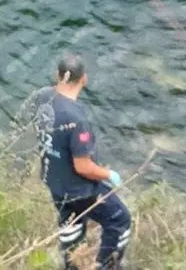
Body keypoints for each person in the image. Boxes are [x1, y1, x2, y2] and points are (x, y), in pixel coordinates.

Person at [34, 54, 132, 270]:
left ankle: (72, 266)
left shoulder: (42, 97)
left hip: (55, 182)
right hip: (80, 190)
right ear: (84, 79)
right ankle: (107, 265)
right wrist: (108, 174)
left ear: (57, 76)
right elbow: (83, 167)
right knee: (120, 220)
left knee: (71, 228)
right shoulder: (77, 119)